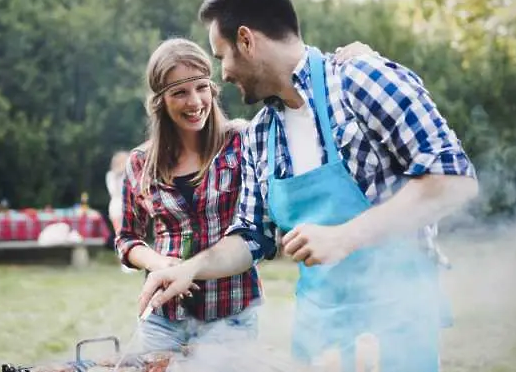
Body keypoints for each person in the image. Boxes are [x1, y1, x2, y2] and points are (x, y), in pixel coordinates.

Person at [140, 0, 479, 372]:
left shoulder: (362, 81)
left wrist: (347, 236)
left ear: (246, 39)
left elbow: (454, 179)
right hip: (318, 336)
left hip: (396, 328)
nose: (224, 74)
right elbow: (251, 236)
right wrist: (188, 268)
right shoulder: (261, 134)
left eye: (221, 57)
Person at [117, 37, 374, 352]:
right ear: (160, 101)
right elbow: (127, 239)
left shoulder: (242, 140)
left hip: (230, 314)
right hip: (163, 316)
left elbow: (297, 98)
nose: (194, 101)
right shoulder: (141, 163)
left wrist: (352, 62)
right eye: (179, 92)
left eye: (201, 87)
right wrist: (159, 263)